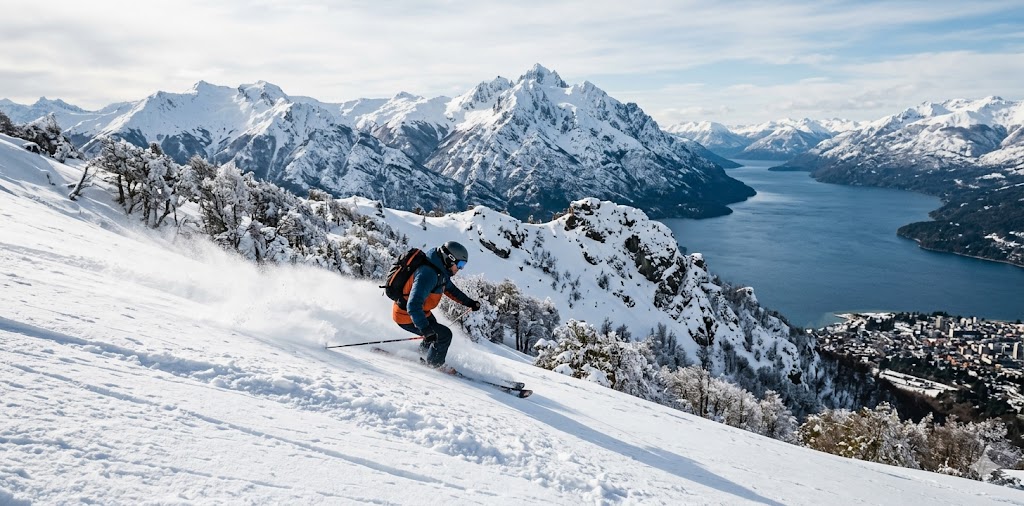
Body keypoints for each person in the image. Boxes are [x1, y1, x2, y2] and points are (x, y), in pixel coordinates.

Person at [392, 241, 480, 367]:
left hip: (422, 312)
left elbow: (451, 290)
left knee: (434, 331)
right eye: (460, 264)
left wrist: (469, 303)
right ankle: (435, 365)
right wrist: (425, 329)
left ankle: (422, 354)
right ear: (450, 259)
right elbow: (413, 305)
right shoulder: (427, 274)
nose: (460, 269)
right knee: (443, 335)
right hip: (405, 315)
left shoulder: (440, 271)